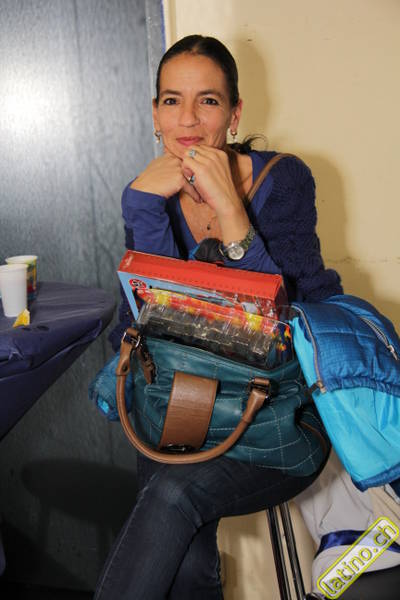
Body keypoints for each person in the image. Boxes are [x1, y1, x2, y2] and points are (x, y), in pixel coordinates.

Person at [95, 35, 343, 600]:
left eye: (207, 100)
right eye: (171, 100)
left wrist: (231, 209)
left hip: (278, 413)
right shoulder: (150, 191)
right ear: (154, 114)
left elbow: (287, 328)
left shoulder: (283, 181)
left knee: (171, 497)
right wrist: (143, 209)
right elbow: (148, 325)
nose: (187, 119)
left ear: (233, 115)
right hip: (180, 403)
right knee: (184, 561)